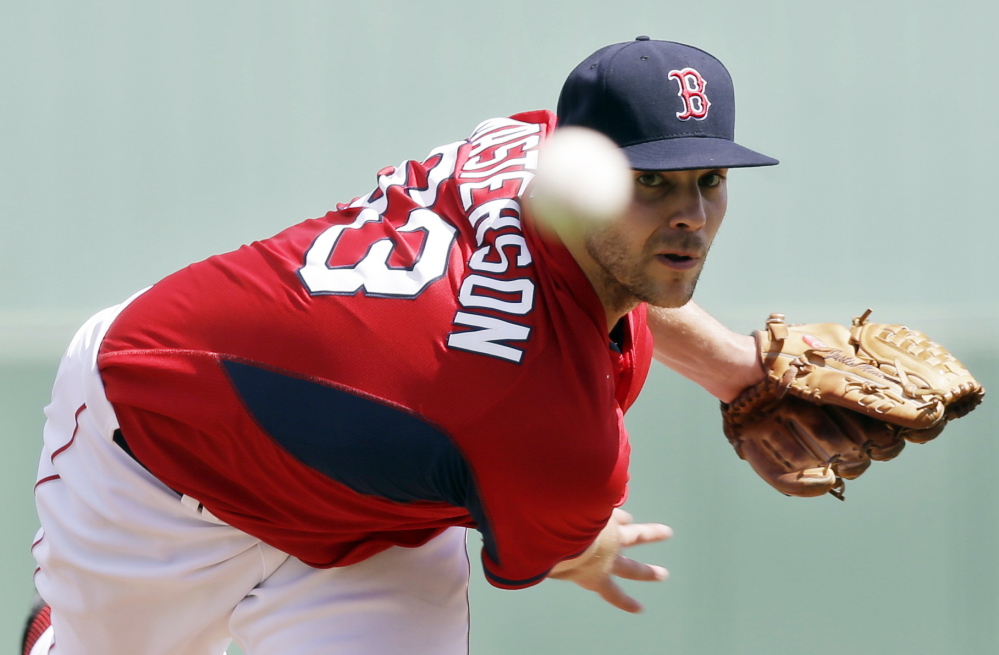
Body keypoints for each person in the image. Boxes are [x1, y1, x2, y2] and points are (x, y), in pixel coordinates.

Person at [22, 37, 777, 655]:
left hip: (371, 525)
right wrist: (581, 535)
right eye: (652, 181)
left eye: (708, 179)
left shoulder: (518, 148)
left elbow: (606, 273)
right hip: (154, 452)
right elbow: (554, 534)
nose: (690, 214)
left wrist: (738, 368)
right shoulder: (555, 433)